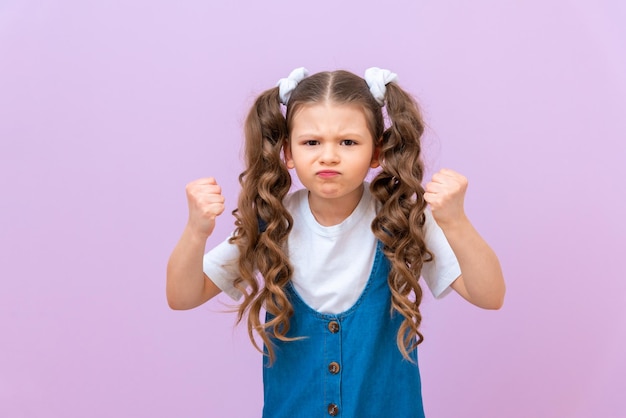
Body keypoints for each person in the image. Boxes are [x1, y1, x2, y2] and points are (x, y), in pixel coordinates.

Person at [166, 67, 505, 418]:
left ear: (377, 152)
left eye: (348, 142)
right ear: (288, 153)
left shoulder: (402, 221)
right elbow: (182, 296)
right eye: (311, 142)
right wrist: (195, 231)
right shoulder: (271, 225)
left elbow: (489, 295)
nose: (328, 156)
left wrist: (457, 222)